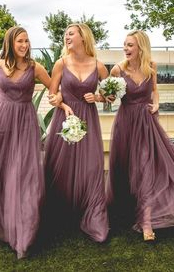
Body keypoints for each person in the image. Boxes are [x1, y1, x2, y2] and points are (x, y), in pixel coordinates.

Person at [0, 26, 59, 259]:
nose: (25, 45)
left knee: (24, 175)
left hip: (25, 124)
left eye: (27, 41)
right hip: (1, 122)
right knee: (5, 174)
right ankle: (6, 224)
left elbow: (54, 90)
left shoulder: (35, 67)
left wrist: (64, 101)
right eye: (20, 41)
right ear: (10, 43)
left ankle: (25, 233)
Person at [106, 30, 174, 241]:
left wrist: (157, 103)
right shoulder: (117, 70)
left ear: (141, 47)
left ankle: (147, 221)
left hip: (146, 123)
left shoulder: (151, 66)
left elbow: (154, 90)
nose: (125, 48)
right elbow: (110, 97)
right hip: (126, 124)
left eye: (130, 45)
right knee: (126, 169)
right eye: (124, 45)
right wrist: (106, 94)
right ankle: (126, 209)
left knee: (146, 168)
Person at [45, 23, 109, 242]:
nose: (66, 37)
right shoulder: (60, 64)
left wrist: (98, 98)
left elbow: (110, 96)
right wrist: (62, 103)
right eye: (65, 34)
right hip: (65, 121)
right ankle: (61, 215)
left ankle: (94, 216)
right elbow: (52, 95)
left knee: (91, 168)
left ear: (83, 37)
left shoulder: (99, 66)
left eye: (71, 33)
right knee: (61, 168)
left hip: (89, 121)